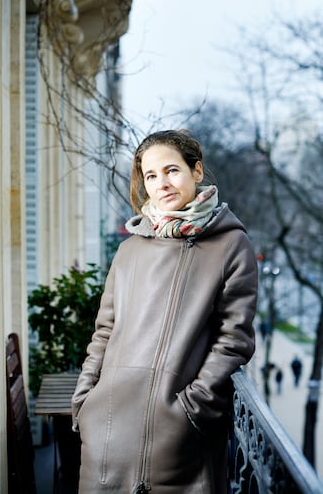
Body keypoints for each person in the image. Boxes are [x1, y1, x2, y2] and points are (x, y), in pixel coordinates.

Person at [71, 130, 258, 494]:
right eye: (151, 175)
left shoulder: (232, 245)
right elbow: (105, 331)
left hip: (180, 441)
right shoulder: (131, 249)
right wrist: (85, 399)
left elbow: (233, 340)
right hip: (105, 434)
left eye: (172, 170)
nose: (162, 184)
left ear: (197, 171)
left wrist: (191, 409)